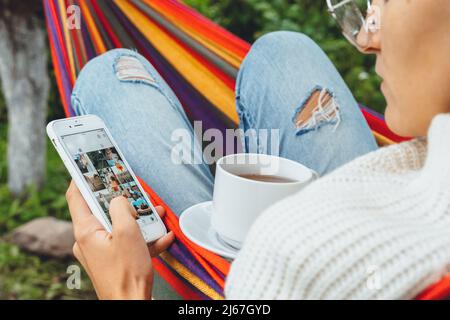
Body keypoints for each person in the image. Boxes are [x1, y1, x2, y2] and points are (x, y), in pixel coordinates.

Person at [66, 0, 450, 299]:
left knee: (107, 77)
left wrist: (123, 289)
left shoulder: (312, 253)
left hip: (243, 282)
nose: (367, 38)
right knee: (284, 51)